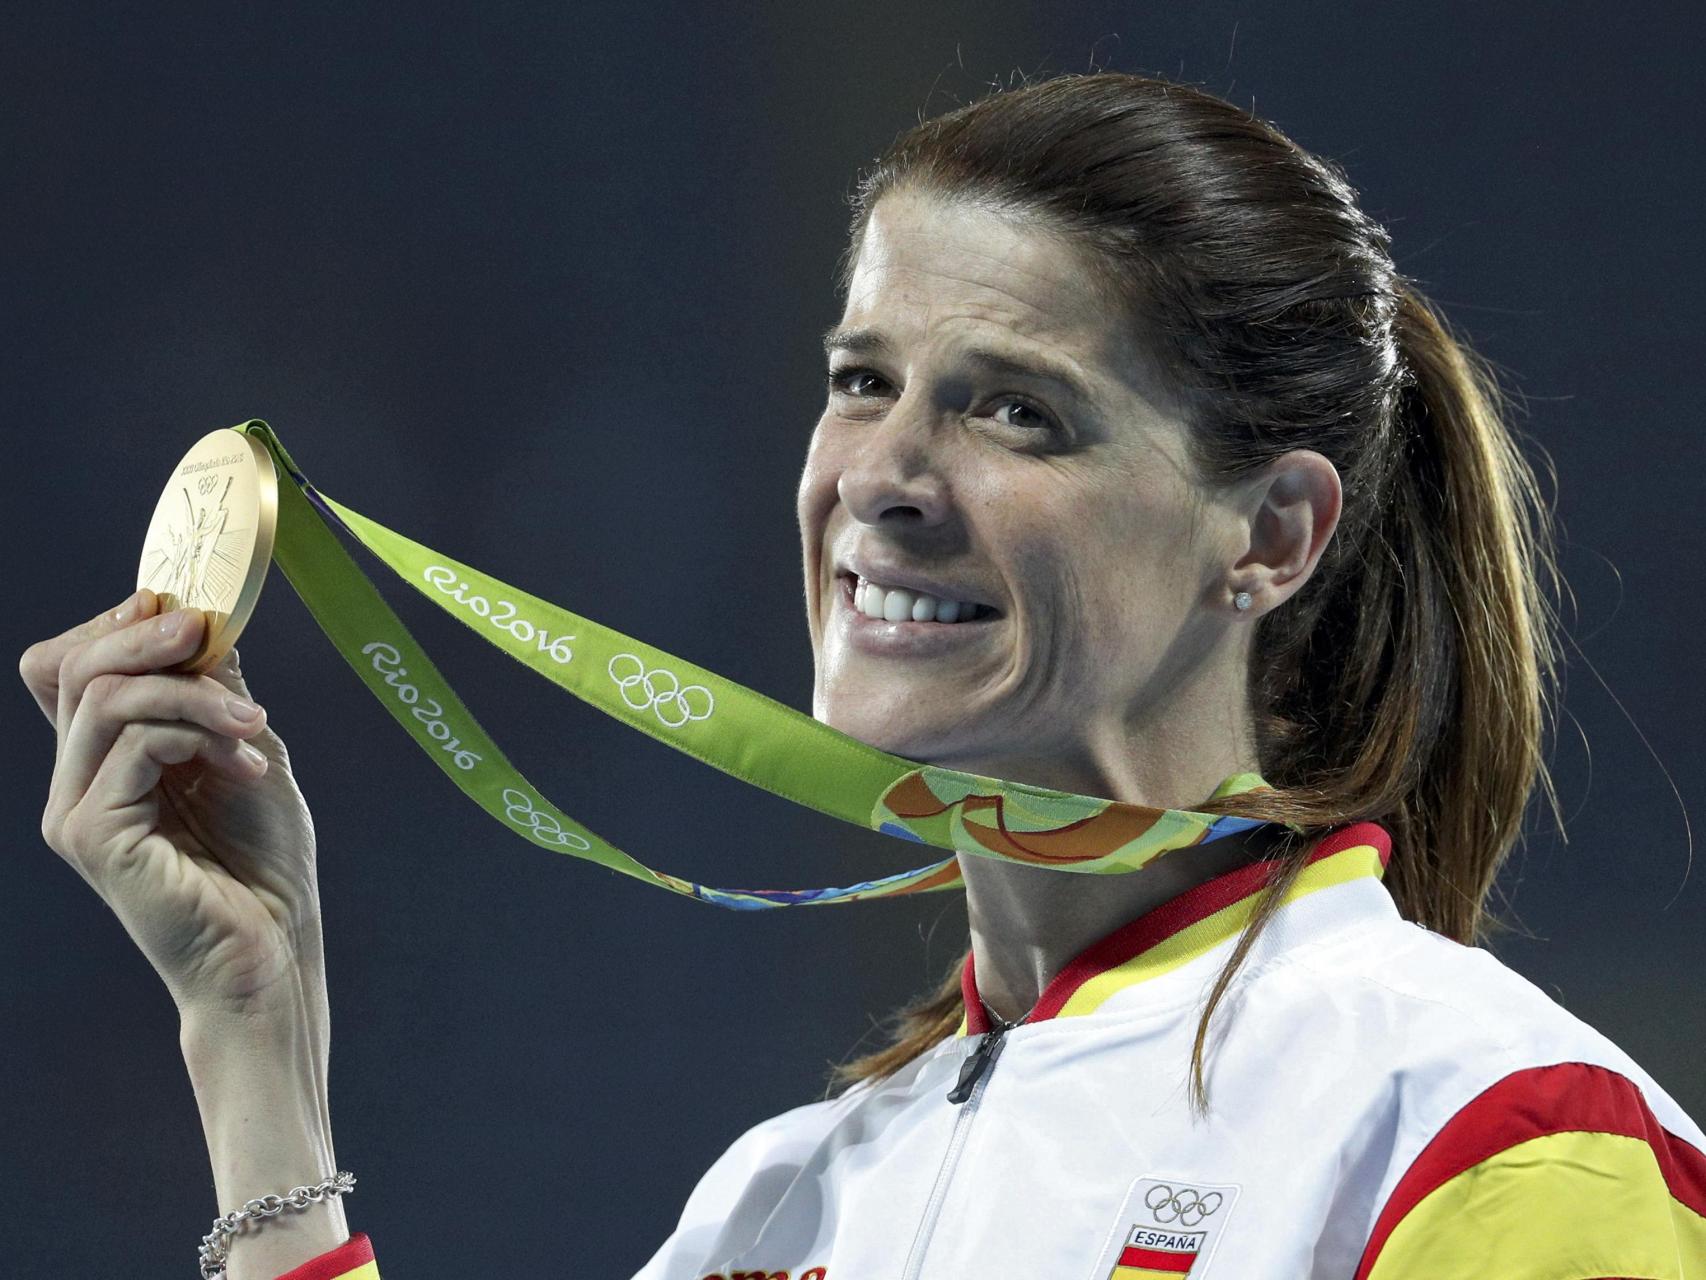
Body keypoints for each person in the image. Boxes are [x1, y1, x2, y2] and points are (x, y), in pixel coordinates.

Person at [21, 69, 1704, 1280]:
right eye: (860, 380)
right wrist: (253, 1041)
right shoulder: (775, 1208)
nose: (881, 475)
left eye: (1009, 407)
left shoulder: (1472, 1122)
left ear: (1266, 534)